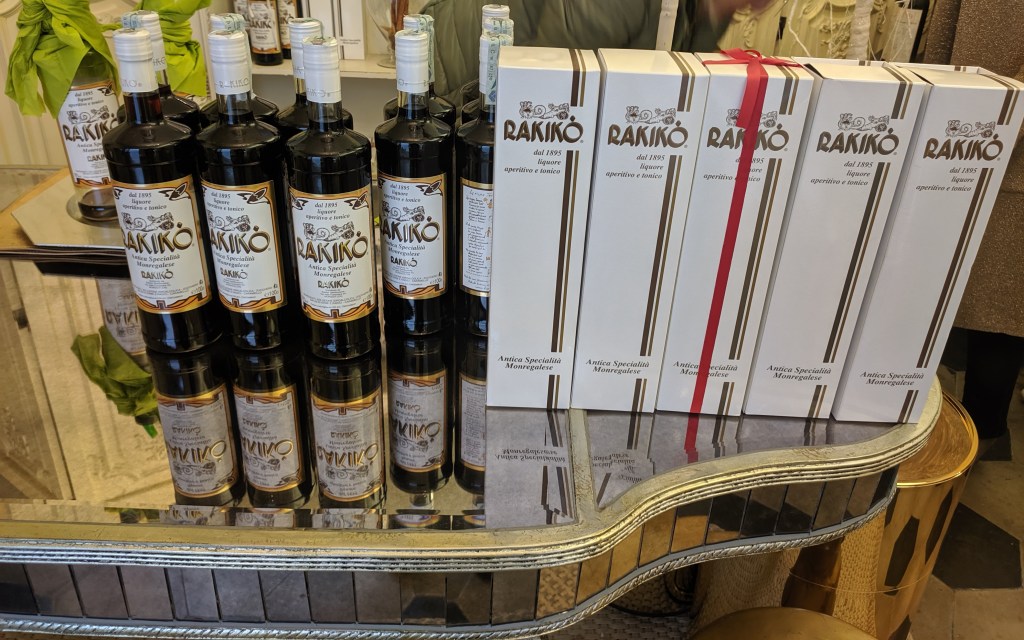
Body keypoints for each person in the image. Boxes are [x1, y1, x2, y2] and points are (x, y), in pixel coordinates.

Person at [925, 0, 1024, 441]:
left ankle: (984, 433)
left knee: (999, 309)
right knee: (935, 290)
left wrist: (987, 135)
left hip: (998, 152)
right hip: (955, 145)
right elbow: (942, 38)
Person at [421, 0, 773, 104]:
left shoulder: (705, 10)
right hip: (463, 58)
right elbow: (546, 73)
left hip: (508, 67)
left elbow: (679, 66)